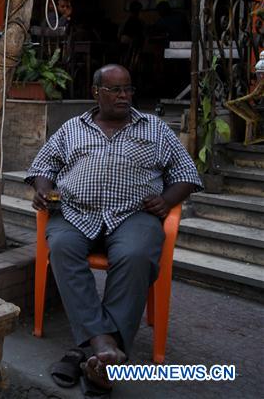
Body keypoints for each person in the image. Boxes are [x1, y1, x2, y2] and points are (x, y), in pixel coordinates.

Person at [25, 64, 200, 393]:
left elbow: (187, 173)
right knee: (61, 247)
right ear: (96, 92)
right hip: (75, 211)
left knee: (135, 255)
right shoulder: (72, 128)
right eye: (115, 90)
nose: (124, 96)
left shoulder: (156, 129)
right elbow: (43, 165)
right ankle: (105, 345)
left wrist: (167, 200)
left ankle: (89, 350)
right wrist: (44, 190)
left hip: (134, 214)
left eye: (128, 89)